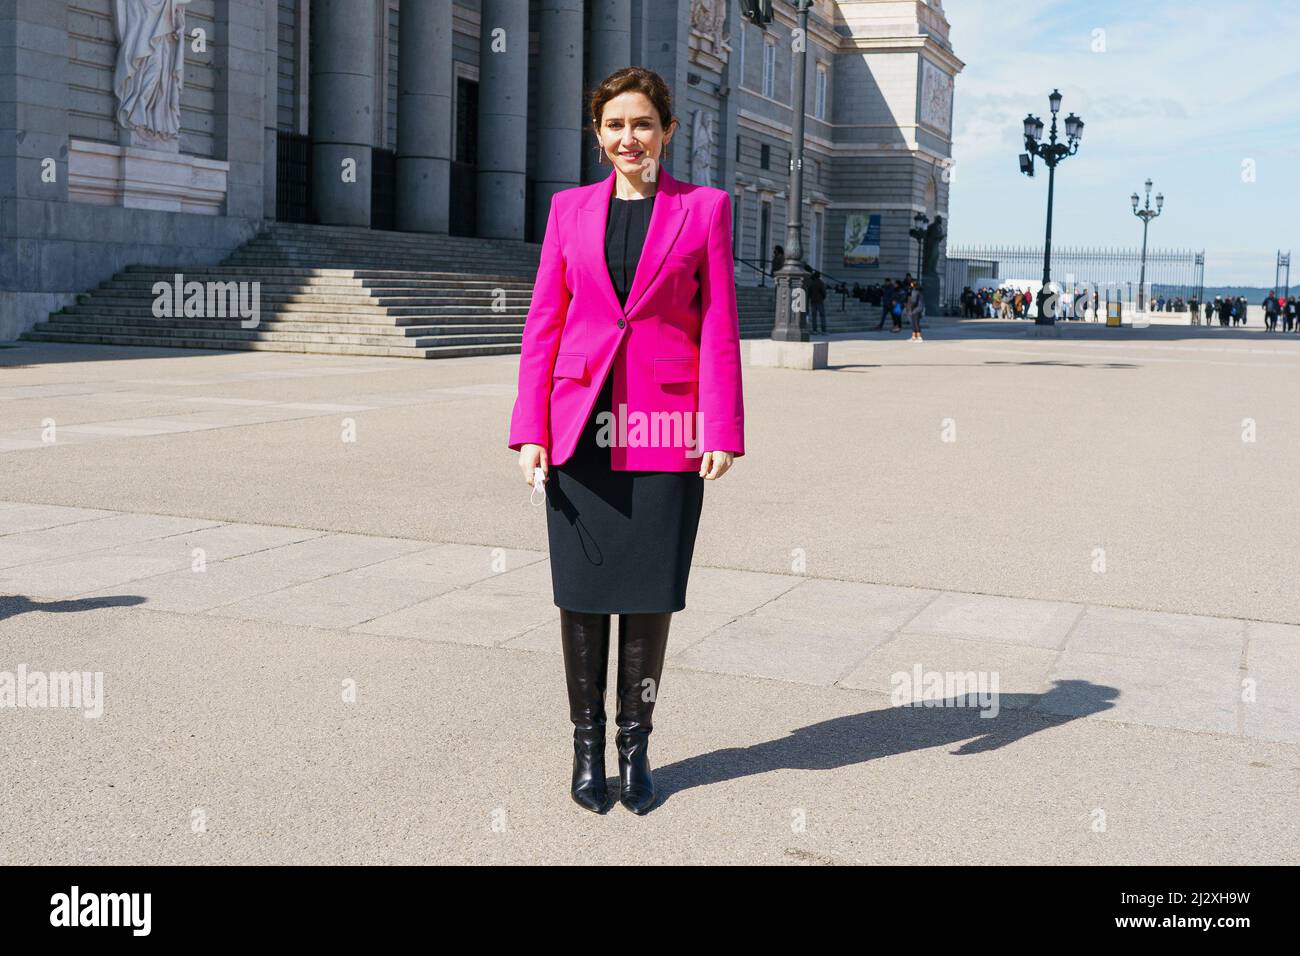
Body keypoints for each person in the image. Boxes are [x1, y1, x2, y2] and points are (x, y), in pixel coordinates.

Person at [508, 66, 744, 815]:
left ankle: (635, 749)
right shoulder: (568, 210)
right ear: (598, 134)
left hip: (665, 428)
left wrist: (722, 426)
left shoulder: (703, 209)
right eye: (613, 125)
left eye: (641, 124)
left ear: (667, 131)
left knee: (648, 600)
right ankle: (586, 751)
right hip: (580, 428)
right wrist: (530, 430)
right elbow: (544, 320)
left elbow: (718, 323)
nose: (627, 138)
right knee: (581, 597)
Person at [807, 269, 827, 334]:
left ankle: (814, 330)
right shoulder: (821, 282)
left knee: (814, 316)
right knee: (822, 316)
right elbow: (824, 292)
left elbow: (809, 292)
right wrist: (823, 298)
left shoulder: (811, 283)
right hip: (819, 301)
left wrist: (810, 297)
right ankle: (823, 330)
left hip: (813, 301)